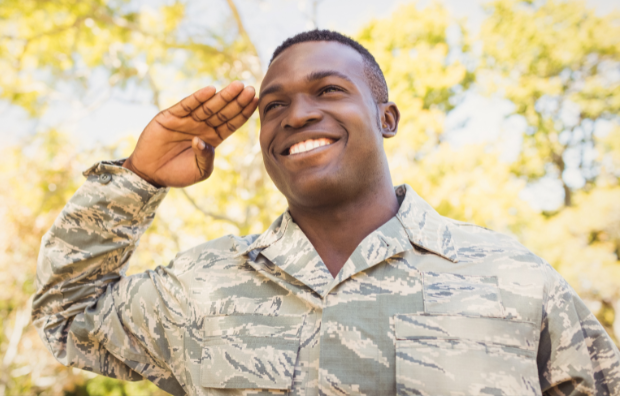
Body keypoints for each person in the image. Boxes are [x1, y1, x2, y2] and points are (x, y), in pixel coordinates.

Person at [32, 30, 620, 396]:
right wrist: (137, 178)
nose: (297, 114)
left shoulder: (514, 278)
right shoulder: (200, 287)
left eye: (329, 91)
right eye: (274, 105)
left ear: (386, 117)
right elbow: (66, 315)